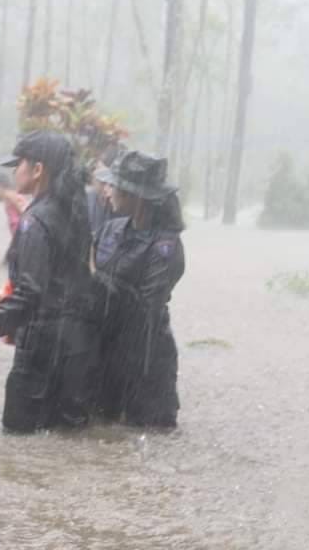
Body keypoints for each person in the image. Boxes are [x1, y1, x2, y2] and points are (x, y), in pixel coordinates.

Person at [0, 130, 100, 432]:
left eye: (19, 164)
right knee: (68, 437)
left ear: (38, 170)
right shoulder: (75, 210)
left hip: (42, 349)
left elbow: (31, 297)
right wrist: (8, 290)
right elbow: (64, 276)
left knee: (20, 437)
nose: (15, 172)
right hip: (78, 346)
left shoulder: (35, 219)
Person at [92, 150, 184, 428]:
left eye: (115, 186)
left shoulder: (165, 246)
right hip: (107, 352)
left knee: (144, 436)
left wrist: (95, 281)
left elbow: (146, 306)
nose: (107, 191)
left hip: (146, 357)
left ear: (137, 197)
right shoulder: (111, 229)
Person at [0, 173, 29, 238]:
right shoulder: (9, 196)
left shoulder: (10, 195)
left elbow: (25, 213)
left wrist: (25, 231)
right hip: (18, 231)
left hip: (20, 231)